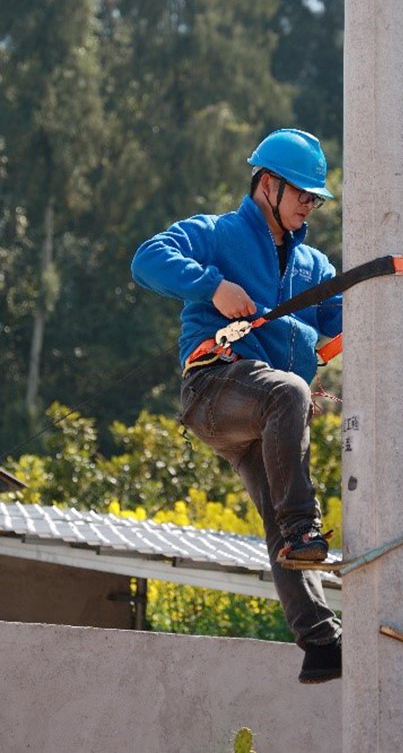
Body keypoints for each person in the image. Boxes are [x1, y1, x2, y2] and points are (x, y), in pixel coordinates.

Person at [131, 128, 342, 683]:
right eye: (303, 195)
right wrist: (212, 286)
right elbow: (147, 259)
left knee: (276, 510)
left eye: (315, 199)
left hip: (266, 416)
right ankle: (305, 528)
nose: (310, 207)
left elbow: (343, 323)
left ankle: (321, 645)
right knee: (289, 394)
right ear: (268, 185)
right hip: (214, 391)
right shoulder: (218, 233)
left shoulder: (315, 266)